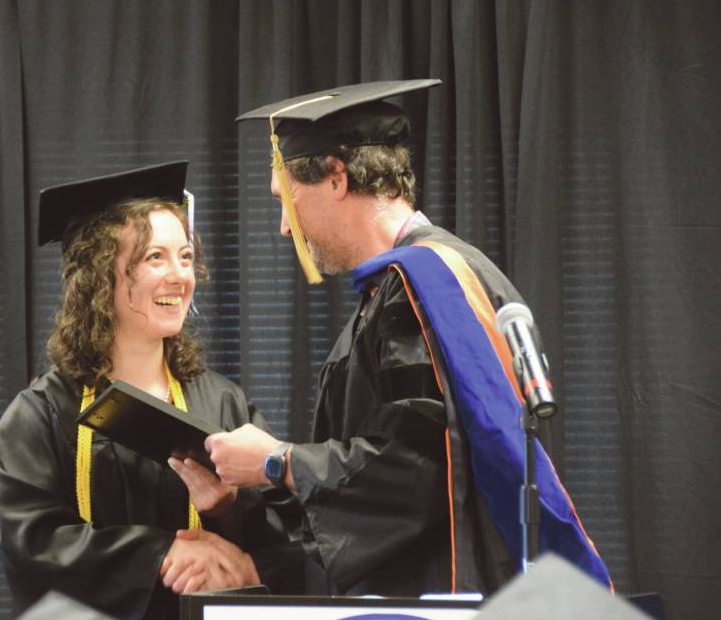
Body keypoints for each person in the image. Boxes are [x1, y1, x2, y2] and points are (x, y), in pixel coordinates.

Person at [193, 80, 611, 597]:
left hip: (444, 591)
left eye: (287, 198)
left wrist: (277, 461)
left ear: (336, 177)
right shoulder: (427, 278)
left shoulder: (419, 285)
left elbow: (415, 463)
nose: (284, 226)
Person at [0, 162, 300, 619]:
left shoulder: (221, 403)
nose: (180, 276)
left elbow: (286, 539)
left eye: (186, 256)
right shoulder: (42, 414)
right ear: (98, 277)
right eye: (155, 257)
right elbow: (33, 543)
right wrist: (160, 552)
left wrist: (228, 511)